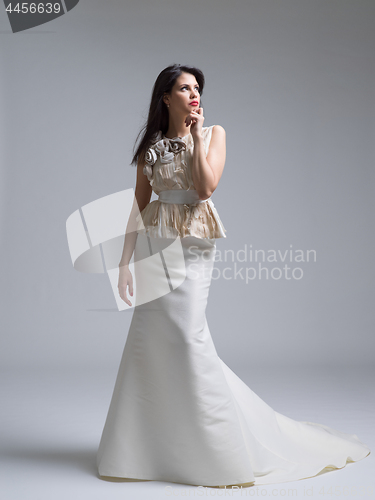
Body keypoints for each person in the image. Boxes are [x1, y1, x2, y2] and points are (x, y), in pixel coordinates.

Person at [96, 64, 370, 489]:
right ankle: (147, 452)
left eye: (197, 88)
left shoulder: (216, 133)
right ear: (165, 98)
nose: (193, 94)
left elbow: (205, 188)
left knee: (188, 337)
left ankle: (217, 453)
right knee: (149, 340)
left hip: (193, 243)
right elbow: (137, 205)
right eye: (184, 88)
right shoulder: (151, 145)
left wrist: (197, 137)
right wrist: (124, 264)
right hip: (155, 246)